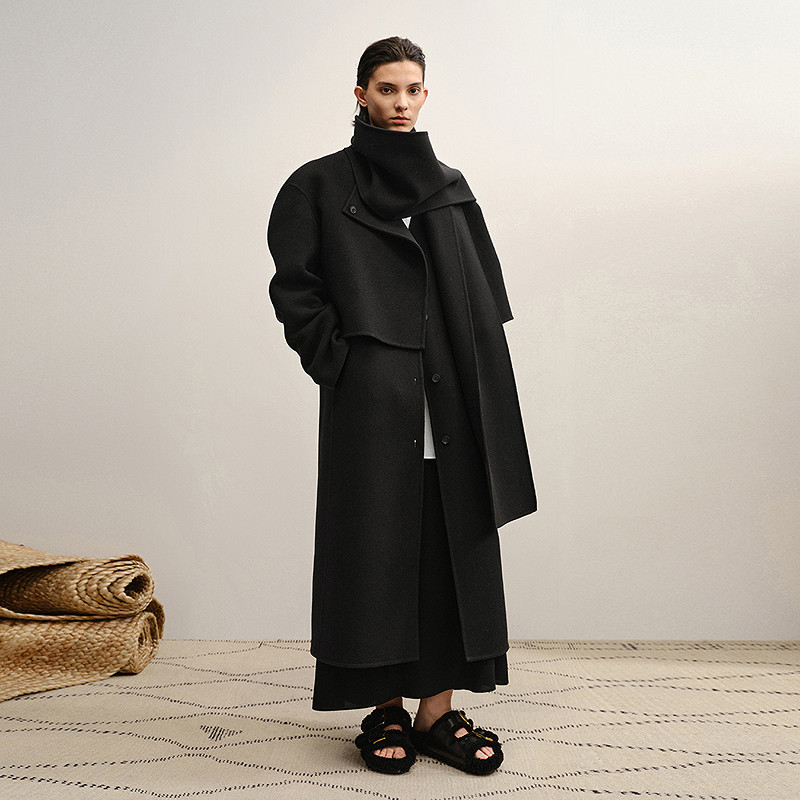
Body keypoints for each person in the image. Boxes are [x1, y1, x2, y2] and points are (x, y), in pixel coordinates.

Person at [267, 36, 536, 776]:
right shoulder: (317, 185)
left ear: (425, 94)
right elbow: (295, 289)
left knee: (453, 557)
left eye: (412, 89)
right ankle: (383, 709)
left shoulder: (449, 188)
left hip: (453, 403)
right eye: (387, 89)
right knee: (374, 552)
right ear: (360, 94)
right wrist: (345, 365)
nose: (400, 102)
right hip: (374, 407)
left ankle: (438, 712)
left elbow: (484, 299)